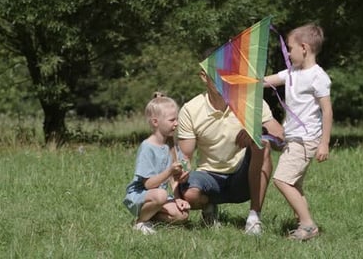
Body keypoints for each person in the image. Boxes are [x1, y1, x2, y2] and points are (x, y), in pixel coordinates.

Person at [177, 65, 284, 235]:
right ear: (204, 77)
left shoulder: (251, 101)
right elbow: (185, 157)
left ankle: (254, 217)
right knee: (190, 194)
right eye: (218, 76)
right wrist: (178, 189)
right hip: (209, 177)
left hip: (244, 179)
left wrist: (257, 131)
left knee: (262, 143)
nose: (224, 81)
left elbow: (281, 141)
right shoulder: (190, 109)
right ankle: (208, 206)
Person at [263, 23, 333, 241]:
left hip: (306, 140)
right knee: (295, 184)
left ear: (304, 47)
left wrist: (324, 143)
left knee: (282, 181)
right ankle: (302, 223)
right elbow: (267, 81)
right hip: (294, 139)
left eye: (290, 49)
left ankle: (308, 225)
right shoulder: (293, 72)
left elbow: (327, 110)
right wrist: (242, 81)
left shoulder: (317, 76)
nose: (287, 53)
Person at [123, 92, 191, 235]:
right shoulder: (147, 147)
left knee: (183, 215)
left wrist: (178, 198)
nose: (176, 123)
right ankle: (140, 222)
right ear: (155, 122)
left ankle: (151, 217)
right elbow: (148, 184)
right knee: (161, 195)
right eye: (172, 120)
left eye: (177, 119)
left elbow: (174, 180)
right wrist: (169, 171)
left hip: (159, 195)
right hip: (141, 196)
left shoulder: (171, 145)